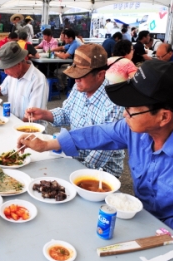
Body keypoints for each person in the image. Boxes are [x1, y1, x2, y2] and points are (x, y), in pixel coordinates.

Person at [18, 59, 173, 257]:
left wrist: (141, 232)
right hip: (142, 220)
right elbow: (99, 134)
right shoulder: (137, 129)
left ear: (164, 117)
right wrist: (47, 144)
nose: (124, 115)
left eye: (131, 110)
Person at [25, 44, 125, 177]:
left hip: (102, 171)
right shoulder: (81, 88)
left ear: (100, 75)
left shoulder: (114, 102)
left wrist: (73, 172)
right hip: (74, 156)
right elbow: (67, 113)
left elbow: (102, 150)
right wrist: (45, 114)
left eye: (81, 75)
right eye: (75, 73)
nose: (76, 79)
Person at [0, 41, 48, 120]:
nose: (5, 72)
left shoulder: (38, 80)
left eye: (7, 68)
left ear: (19, 64)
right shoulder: (12, 75)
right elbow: (2, 90)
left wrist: (15, 129)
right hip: (13, 122)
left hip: (30, 128)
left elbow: (32, 116)